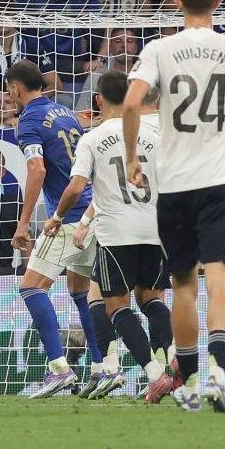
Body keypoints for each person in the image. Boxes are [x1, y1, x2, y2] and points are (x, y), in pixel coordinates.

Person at [122, 0, 225, 412]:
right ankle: (219, 374)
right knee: (220, 277)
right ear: (218, 0)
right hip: (220, 182)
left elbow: (130, 103)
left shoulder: (159, 49)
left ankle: (188, 384)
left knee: (183, 285)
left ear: (177, 2)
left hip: (175, 185)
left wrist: (131, 159)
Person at [43, 69, 176, 401]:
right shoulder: (153, 136)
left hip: (117, 233)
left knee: (114, 305)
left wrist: (58, 217)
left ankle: (153, 373)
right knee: (151, 300)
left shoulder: (92, 139)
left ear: (99, 99)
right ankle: (172, 354)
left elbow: (76, 187)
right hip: (155, 230)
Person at [1, 60, 98, 399]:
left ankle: (58, 368)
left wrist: (24, 221)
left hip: (67, 217)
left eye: (9, 91)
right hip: (92, 212)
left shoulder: (27, 119)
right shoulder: (66, 112)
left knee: (31, 287)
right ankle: (100, 368)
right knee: (81, 292)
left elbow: (37, 169)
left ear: (16, 89)